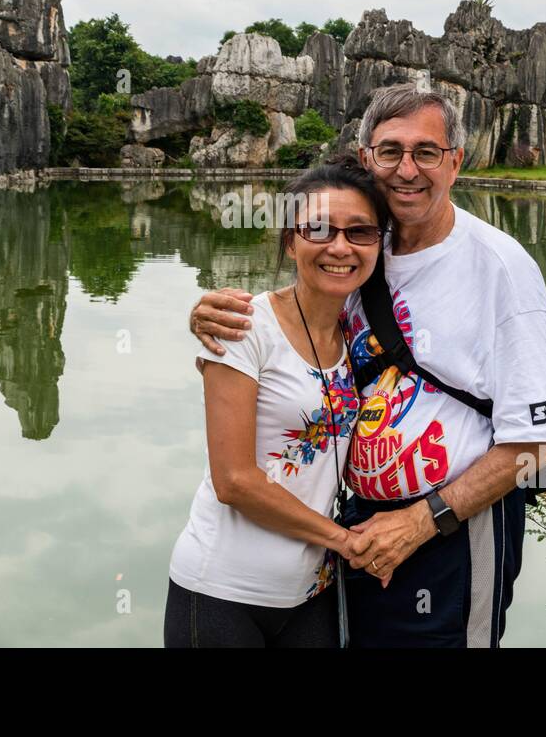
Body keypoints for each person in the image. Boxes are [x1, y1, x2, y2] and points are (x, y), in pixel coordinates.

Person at [189, 83, 546, 647]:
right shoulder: (362, 246)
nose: (406, 169)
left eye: (427, 152)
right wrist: (212, 318)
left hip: (453, 534)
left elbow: (538, 446)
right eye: (390, 151)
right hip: (358, 530)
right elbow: (295, 333)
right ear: (367, 157)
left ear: (456, 162)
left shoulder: (501, 269)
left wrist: (421, 522)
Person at [165, 157, 393, 647]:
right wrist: (346, 542)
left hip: (311, 594)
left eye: (360, 232)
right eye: (318, 229)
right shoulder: (243, 327)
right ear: (290, 240)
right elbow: (235, 482)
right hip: (223, 595)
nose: (339, 247)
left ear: (378, 243)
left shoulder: (362, 333)